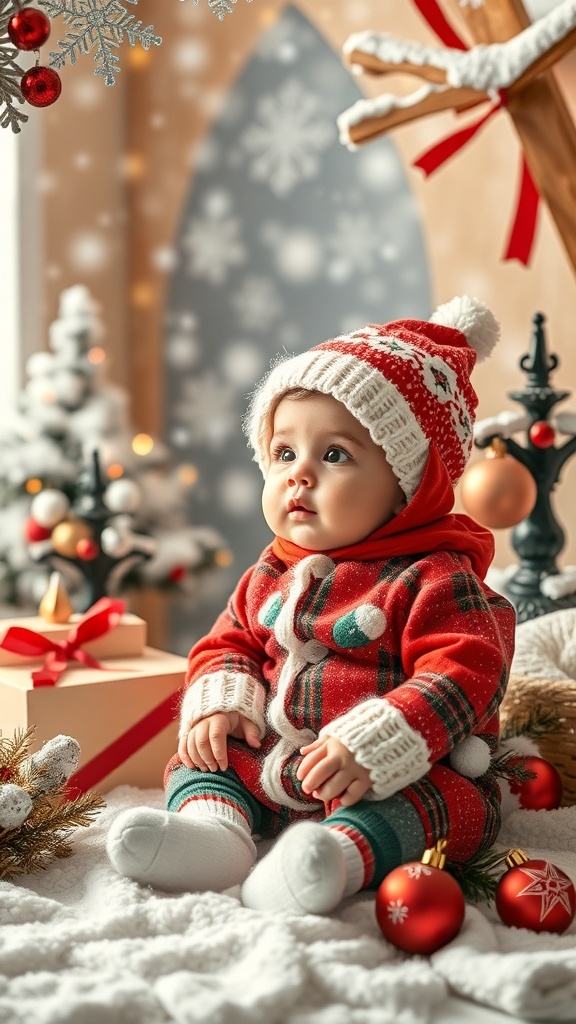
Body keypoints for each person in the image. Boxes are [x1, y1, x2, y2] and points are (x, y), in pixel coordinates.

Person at [107, 295, 516, 916]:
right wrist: (222, 702)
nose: (299, 476)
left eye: (334, 455)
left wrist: (387, 738)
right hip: (278, 755)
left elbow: (469, 669)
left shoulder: (433, 576)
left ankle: (336, 857)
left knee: (439, 805)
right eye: (284, 453)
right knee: (207, 757)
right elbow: (229, 643)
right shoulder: (270, 571)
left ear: (410, 485)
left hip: (386, 767)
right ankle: (216, 835)